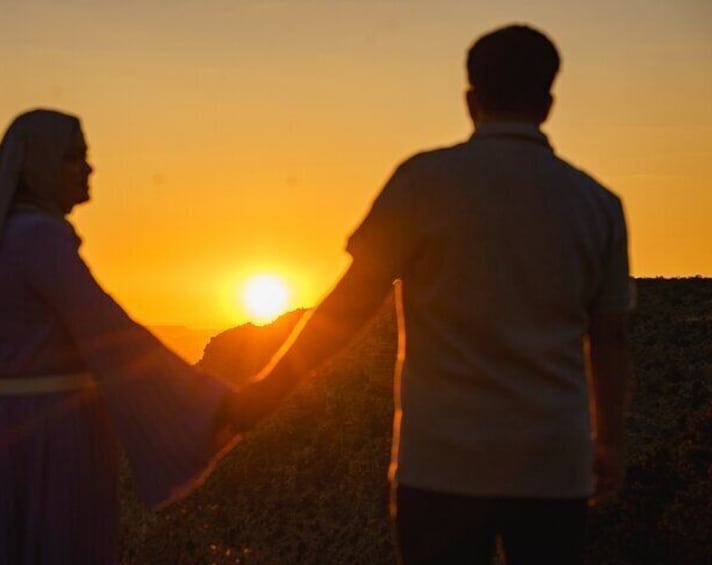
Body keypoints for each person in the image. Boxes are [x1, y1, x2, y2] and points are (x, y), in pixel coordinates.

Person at [223, 24, 633, 564]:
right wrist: (610, 442)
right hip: (552, 464)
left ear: (471, 99)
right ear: (548, 103)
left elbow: (348, 307)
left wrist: (264, 391)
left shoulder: (421, 182)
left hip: (441, 465)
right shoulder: (598, 204)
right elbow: (610, 337)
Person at [0, 109, 235, 564]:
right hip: (50, 439)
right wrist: (214, 406)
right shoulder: (38, 238)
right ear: (38, 164)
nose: (89, 168)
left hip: (7, 432)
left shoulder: (11, 235)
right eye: (74, 156)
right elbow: (114, 337)